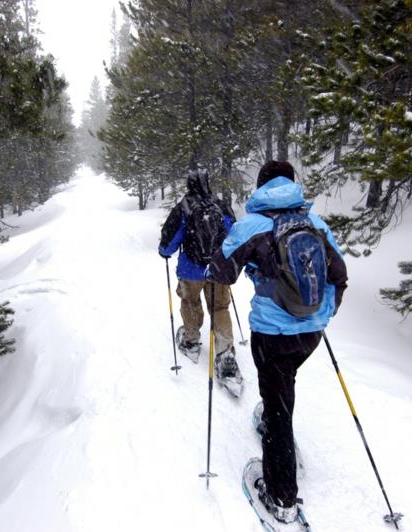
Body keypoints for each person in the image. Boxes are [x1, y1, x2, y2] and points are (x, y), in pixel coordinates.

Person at [207, 160, 348, 523]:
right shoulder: (314, 223)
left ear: (261, 186)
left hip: (273, 333)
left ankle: (281, 497)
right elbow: (339, 274)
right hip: (312, 333)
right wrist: (323, 313)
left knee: (277, 407)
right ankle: (276, 423)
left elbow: (221, 272)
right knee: (284, 385)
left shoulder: (253, 224)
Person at [158, 169, 241, 384]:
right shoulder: (220, 205)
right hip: (217, 269)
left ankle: (191, 340)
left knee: (190, 301)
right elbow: (234, 233)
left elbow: (169, 242)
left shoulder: (183, 208)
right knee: (220, 308)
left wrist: (165, 252)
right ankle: (225, 352)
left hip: (191, 270)